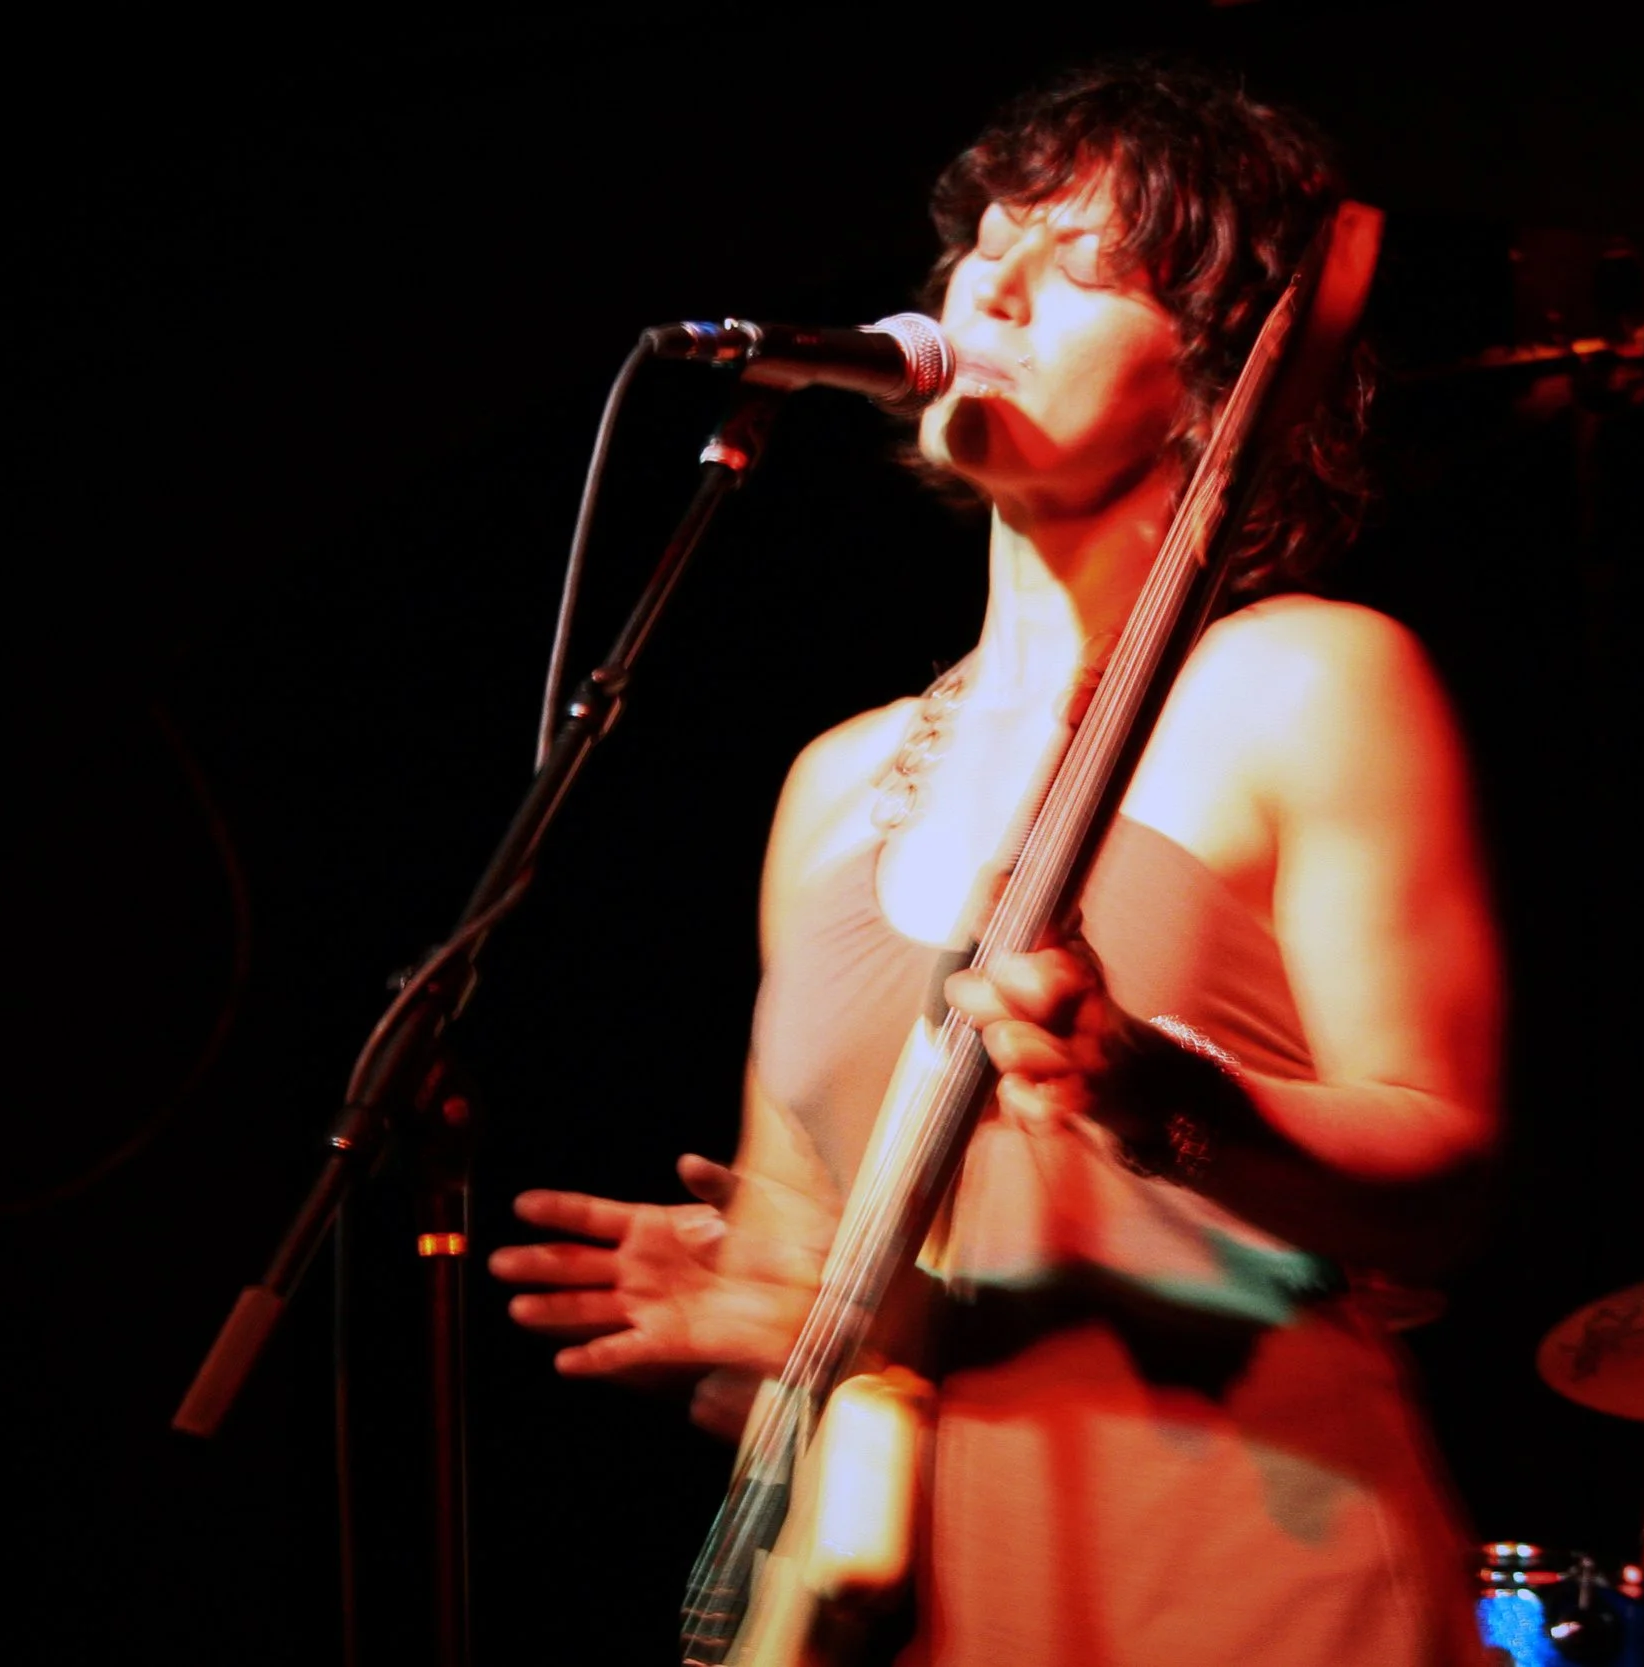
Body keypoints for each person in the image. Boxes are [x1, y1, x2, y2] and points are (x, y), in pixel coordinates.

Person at [488, 62, 1505, 1666]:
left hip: (1258, 1582)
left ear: (1212, 374)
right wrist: (765, 1320)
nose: (993, 287)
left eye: (1086, 263)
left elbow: (1444, 1175)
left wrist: (1164, 1097)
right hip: (936, 1613)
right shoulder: (831, 786)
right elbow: (822, 1287)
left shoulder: (1309, 683)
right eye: (991, 241)